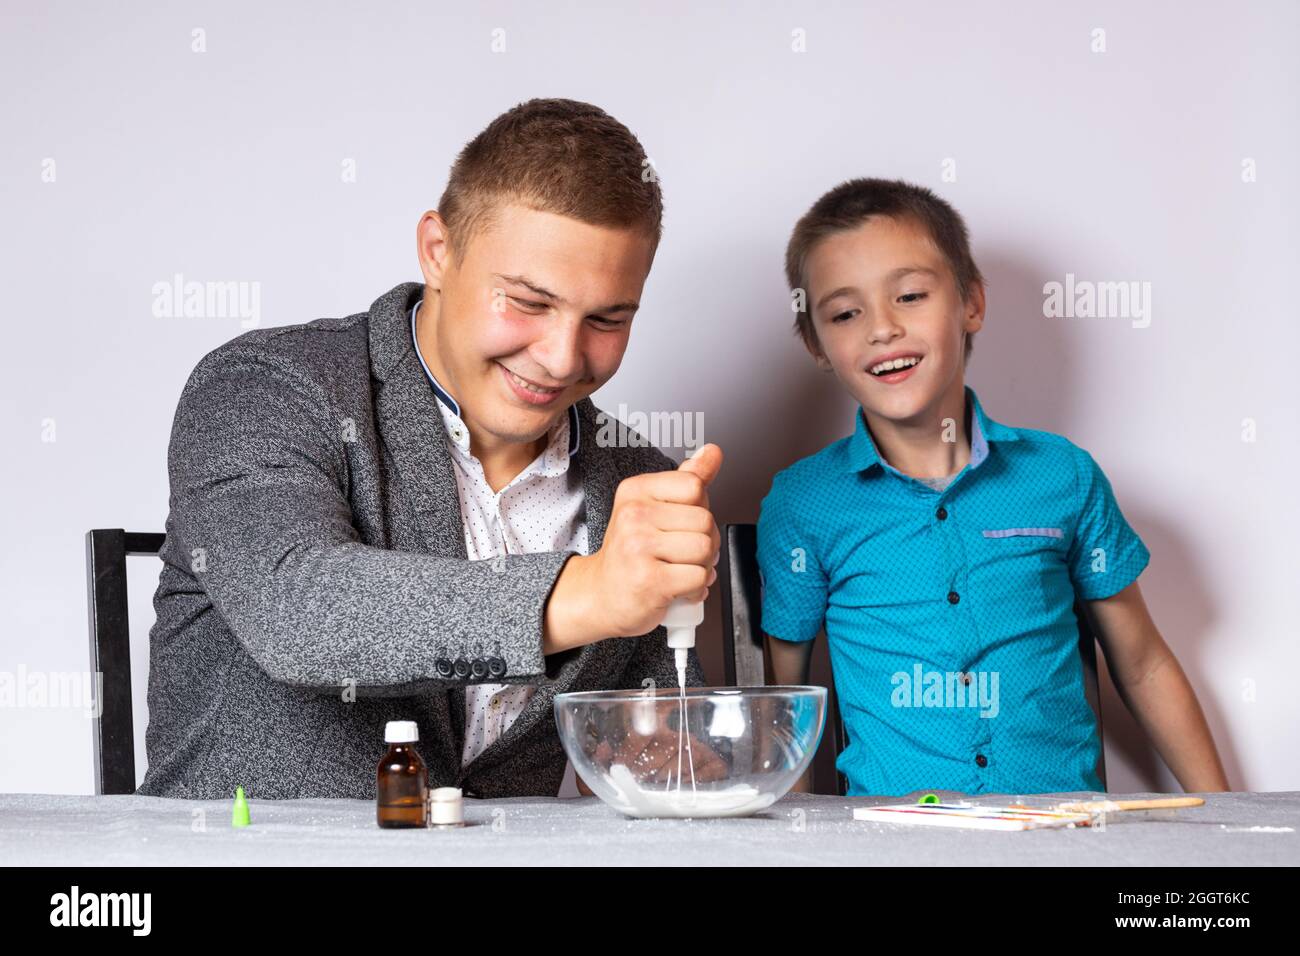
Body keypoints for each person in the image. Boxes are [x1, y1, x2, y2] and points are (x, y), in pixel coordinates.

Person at [140, 99, 723, 799]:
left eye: (606, 318)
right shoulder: (264, 386)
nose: (562, 357)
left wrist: (674, 759)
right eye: (529, 303)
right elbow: (296, 610)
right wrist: (590, 593)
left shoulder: (638, 482)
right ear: (438, 251)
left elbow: (638, 748)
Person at [758, 177, 1229, 796]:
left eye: (910, 295)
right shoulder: (805, 504)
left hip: (1065, 832)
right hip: (893, 844)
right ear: (817, 344)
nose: (882, 329)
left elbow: (1142, 665)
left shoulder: (1062, 476)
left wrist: (1228, 819)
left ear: (971, 304)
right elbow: (785, 707)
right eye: (846, 313)